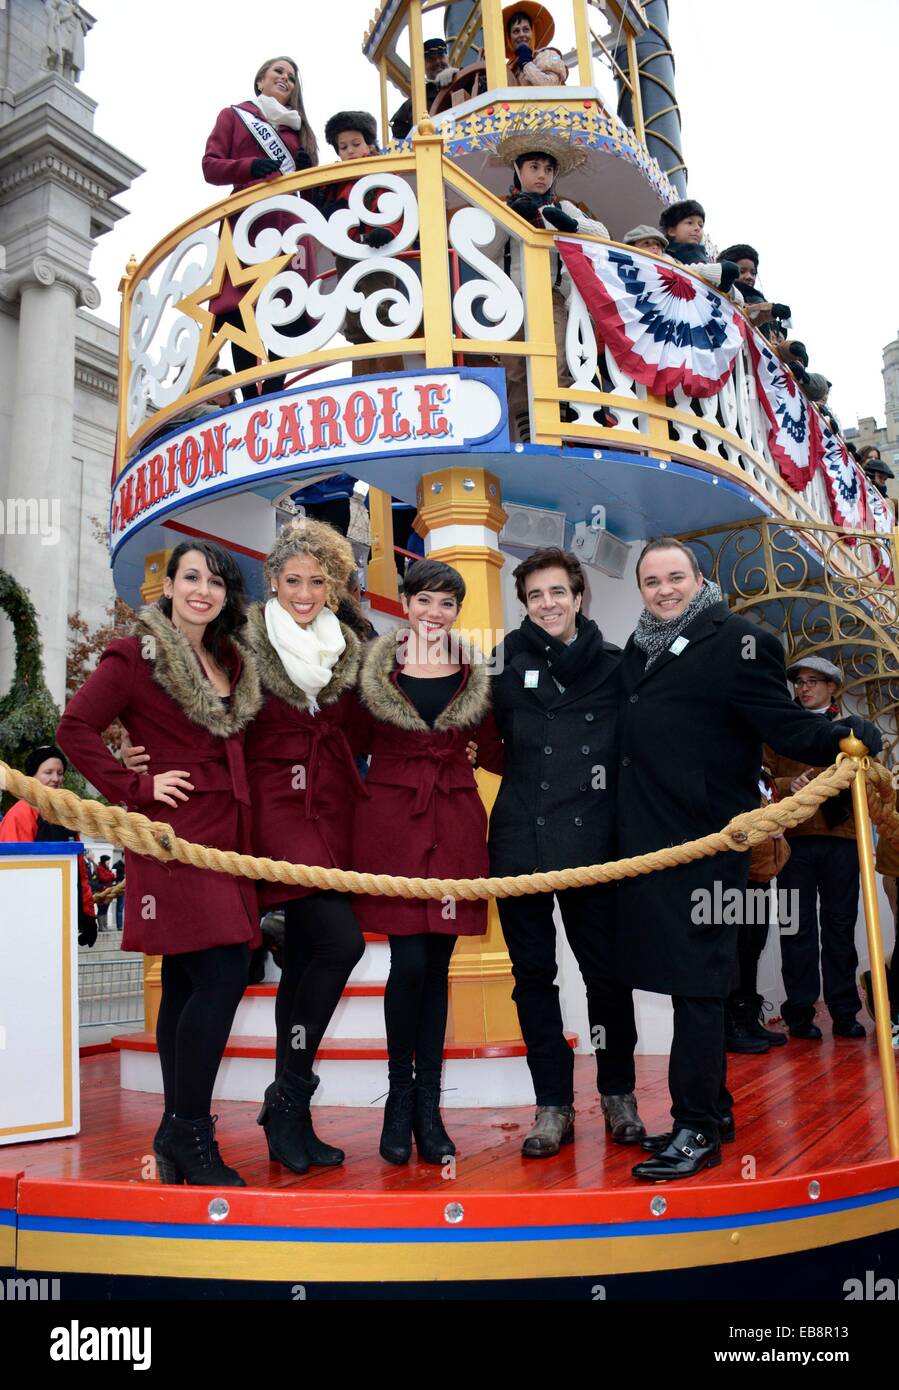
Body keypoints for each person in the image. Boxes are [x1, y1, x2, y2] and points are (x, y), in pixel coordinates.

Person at [613, 539, 881, 1181]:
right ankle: (713, 1111)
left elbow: (785, 726)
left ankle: (698, 1128)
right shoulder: (636, 650)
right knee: (685, 982)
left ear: (698, 579)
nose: (664, 589)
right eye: (652, 580)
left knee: (701, 985)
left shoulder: (741, 640)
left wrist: (848, 735)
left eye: (675, 577)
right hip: (653, 845)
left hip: (710, 844)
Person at [58, 541, 263, 1187]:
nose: (203, 589)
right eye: (191, 577)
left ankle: (177, 1132)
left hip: (229, 833)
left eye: (216, 581)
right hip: (175, 836)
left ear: (227, 596)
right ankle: (190, 1132)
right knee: (223, 971)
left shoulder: (231, 658)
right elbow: (74, 729)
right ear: (169, 585)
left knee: (187, 980)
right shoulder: (134, 654)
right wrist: (135, 787)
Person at [488, 548, 642, 1157]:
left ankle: (618, 1094)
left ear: (579, 597)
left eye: (558, 592)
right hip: (520, 840)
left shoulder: (615, 665)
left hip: (593, 844)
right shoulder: (503, 662)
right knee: (533, 979)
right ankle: (552, 1104)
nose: (547, 604)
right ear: (524, 603)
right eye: (535, 596)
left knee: (606, 975)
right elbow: (471, 729)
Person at [350, 559, 503, 1166]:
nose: (434, 613)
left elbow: (497, 751)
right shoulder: (371, 672)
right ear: (405, 604)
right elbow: (341, 743)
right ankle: (400, 1100)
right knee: (408, 962)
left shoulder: (478, 677)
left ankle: (429, 1109)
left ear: (456, 612)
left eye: (446, 604)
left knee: (436, 965)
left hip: (457, 823)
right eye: (424, 600)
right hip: (392, 825)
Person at [202, 56, 318, 399]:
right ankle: (249, 395)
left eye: (292, 77)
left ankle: (274, 390)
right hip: (245, 225)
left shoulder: (300, 131)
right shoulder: (234, 116)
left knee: (286, 307)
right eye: (278, 72)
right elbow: (210, 167)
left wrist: (307, 170)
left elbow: (310, 193)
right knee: (240, 309)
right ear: (260, 81)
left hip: (286, 228)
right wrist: (250, 166)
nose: (286, 79)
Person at [766, 656, 865, 1040]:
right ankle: (800, 1014)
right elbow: (763, 776)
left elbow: (869, 779)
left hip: (842, 841)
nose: (804, 688)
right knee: (796, 928)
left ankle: (844, 1012)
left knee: (840, 928)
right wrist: (790, 782)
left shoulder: (854, 731)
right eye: (800, 682)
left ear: (831, 687)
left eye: (813, 681)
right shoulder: (779, 729)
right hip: (794, 842)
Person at [491, 130, 608, 442]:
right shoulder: (501, 207)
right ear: (518, 169)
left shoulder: (563, 207)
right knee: (515, 366)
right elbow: (486, 247)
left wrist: (568, 225)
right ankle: (529, 432)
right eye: (534, 167)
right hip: (510, 298)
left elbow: (602, 235)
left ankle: (560, 427)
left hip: (552, 295)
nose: (542, 175)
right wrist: (509, 221)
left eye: (548, 169)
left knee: (557, 356)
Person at [319, 111, 404, 376]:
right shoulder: (335, 182)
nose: (350, 151)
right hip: (348, 254)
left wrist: (387, 230)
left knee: (381, 311)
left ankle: (390, 376)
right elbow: (325, 215)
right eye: (343, 147)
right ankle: (362, 378)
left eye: (356, 144)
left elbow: (394, 204)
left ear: (368, 144)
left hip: (376, 253)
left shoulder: (379, 173)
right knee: (354, 316)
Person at [0, 744, 97, 948]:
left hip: (63, 916)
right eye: (48, 772)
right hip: (30, 919)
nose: (55, 778)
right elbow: (12, 874)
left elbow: (79, 871)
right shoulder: (20, 814)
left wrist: (87, 915)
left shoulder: (65, 815)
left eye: (60, 773)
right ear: (32, 776)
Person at [724, 766, 790, 1054]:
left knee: (752, 948)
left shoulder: (763, 776)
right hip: (735, 877)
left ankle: (748, 1018)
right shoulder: (730, 772)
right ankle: (732, 1024)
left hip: (760, 877)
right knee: (735, 952)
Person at [659, 200, 741, 294]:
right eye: (690, 223)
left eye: (700, 225)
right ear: (672, 231)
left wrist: (726, 283)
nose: (697, 228)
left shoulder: (706, 261)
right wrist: (719, 270)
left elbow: (738, 298)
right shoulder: (664, 257)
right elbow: (677, 272)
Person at [390, 37, 459, 141]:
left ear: (447, 58)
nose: (437, 62)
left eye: (441, 56)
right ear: (422, 65)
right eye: (430, 59)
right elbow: (398, 133)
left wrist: (457, 74)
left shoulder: (464, 80)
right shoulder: (414, 103)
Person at [718, 243, 791, 339]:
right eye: (742, 271)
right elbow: (745, 315)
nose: (749, 277)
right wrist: (770, 311)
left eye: (753, 273)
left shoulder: (760, 300)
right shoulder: (723, 296)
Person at [503, 4, 568, 86]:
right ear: (509, 38)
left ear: (532, 33)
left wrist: (526, 63)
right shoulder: (508, 68)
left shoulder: (546, 55)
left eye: (526, 29)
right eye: (516, 31)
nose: (522, 34)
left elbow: (549, 86)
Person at [95, 854, 115, 931]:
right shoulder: (100, 868)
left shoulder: (106, 868)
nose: (109, 862)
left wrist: (111, 876)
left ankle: (105, 925)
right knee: (101, 908)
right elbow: (103, 878)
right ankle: (101, 926)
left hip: (108, 891)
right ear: (104, 861)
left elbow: (113, 876)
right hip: (102, 891)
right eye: (108, 860)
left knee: (106, 908)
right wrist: (111, 876)